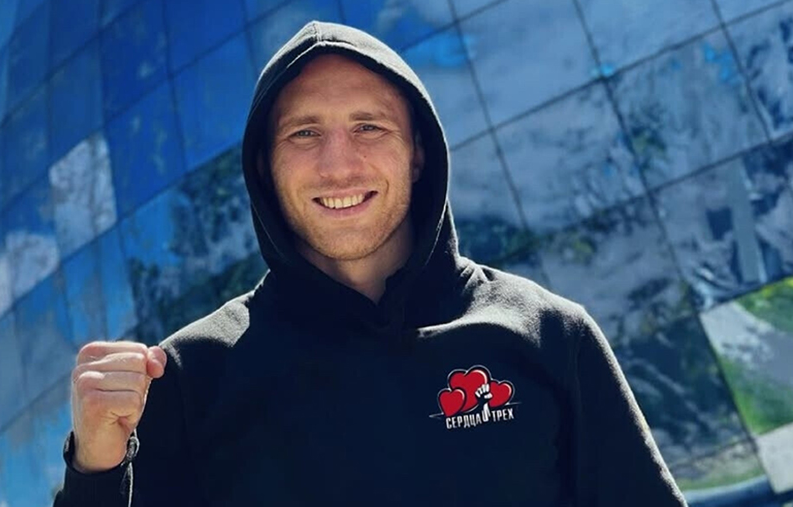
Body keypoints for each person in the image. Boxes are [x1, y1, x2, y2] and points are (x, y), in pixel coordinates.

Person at [54, 21, 687, 506]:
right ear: (264, 168)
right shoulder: (190, 376)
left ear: (418, 152)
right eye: (304, 133)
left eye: (369, 127)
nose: (338, 166)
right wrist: (94, 469)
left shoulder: (549, 333)